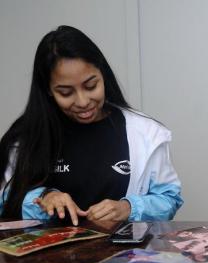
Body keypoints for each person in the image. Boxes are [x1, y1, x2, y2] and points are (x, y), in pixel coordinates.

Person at [0, 26, 183, 225]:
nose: (82, 101)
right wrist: (43, 198)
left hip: (124, 255)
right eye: (66, 92)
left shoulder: (146, 133)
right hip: (45, 256)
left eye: (90, 86)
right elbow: (4, 200)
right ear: (48, 90)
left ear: (102, 74)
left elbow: (169, 199)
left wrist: (129, 208)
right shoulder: (26, 138)